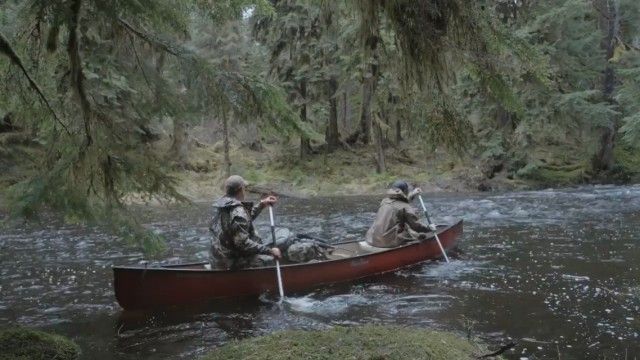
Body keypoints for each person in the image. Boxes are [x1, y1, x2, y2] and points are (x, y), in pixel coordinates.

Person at [209, 175, 281, 269]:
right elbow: (243, 244)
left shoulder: (222, 205)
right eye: (244, 188)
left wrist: (262, 204)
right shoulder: (238, 211)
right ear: (240, 189)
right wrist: (270, 251)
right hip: (231, 262)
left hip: (218, 258)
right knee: (269, 261)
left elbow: (242, 220)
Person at [365, 180, 435, 248]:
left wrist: (413, 193)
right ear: (405, 191)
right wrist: (428, 228)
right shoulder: (405, 207)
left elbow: (399, 202)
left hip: (372, 239)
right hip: (387, 242)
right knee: (409, 228)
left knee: (402, 223)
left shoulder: (384, 201)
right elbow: (416, 226)